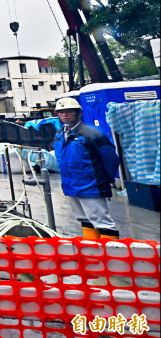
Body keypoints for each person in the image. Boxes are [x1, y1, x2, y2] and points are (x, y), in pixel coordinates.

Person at [53, 97, 121, 239]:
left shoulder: (93, 135)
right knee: (84, 219)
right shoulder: (59, 135)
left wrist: (104, 181)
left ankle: (113, 256)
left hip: (91, 187)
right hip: (71, 186)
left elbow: (111, 160)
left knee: (102, 222)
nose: (65, 114)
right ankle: (93, 252)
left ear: (78, 113)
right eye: (61, 112)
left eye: (69, 111)